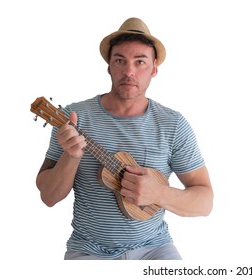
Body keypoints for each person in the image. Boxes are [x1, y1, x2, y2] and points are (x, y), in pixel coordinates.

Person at [35, 17, 213, 260]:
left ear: (154, 68)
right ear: (109, 65)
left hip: (155, 248)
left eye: (140, 62)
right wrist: (71, 156)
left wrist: (158, 194)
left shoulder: (172, 124)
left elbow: (205, 202)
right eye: (120, 60)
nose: (129, 71)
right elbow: (48, 197)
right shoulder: (72, 119)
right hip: (88, 250)